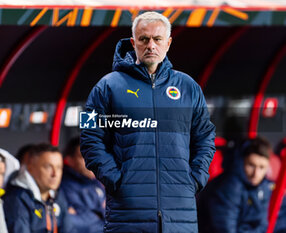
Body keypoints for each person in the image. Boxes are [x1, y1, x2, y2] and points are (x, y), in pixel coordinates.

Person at [80, 11, 216, 233]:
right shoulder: (105, 87)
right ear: (133, 43)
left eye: (157, 39)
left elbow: (206, 137)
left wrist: (195, 179)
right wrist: (117, 180)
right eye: (144, 39)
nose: (150, 45)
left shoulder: (188, 87)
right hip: (128, 211)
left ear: (168, 43)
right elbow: (88, 138)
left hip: (180, 211)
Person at [197, 137, 273, 233]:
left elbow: (262, 225)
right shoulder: (229, 186)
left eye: (262, 167)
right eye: (251, 165)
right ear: (241, 162)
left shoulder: (263, 186)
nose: (256, 173)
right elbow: (224, 228)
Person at [3, 143, 74, 233]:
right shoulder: (16, 199)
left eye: (59, 167)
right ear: (30, 167)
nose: (55, 174)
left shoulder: (57, 195)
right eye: (48, 167)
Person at [60, 137, 105, 233]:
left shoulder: (96, 182)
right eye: (83, 156)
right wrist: (102, 214)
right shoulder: (64, 186)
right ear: (70, 160)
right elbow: (73, 223)